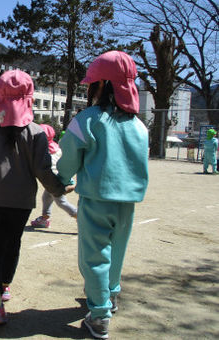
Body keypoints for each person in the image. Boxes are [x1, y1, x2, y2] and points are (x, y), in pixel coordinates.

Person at [0, 70, 74, 325]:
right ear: (29, 100)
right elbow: (42, 170)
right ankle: (4, 286)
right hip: (21, 202)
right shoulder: (37, 132)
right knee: (12, 244)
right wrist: (59, 189)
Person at [56, 51, 149, 339]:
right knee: (116, 251)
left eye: (91, 84)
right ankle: (111, 296)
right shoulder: (139, 125)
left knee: (94, 258)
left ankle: (99, 316)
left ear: (101, 86)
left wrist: (61, 178)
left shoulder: (88, 119)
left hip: (96, 199)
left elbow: (68, 156)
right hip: (128, 201)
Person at [31, 124, 77, 228]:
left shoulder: (44, 151)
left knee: (61, 202)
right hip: (60, 176)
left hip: (53, 180)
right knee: (46, 197)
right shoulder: (57, 147)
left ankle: (80, 216)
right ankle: (44, 218)